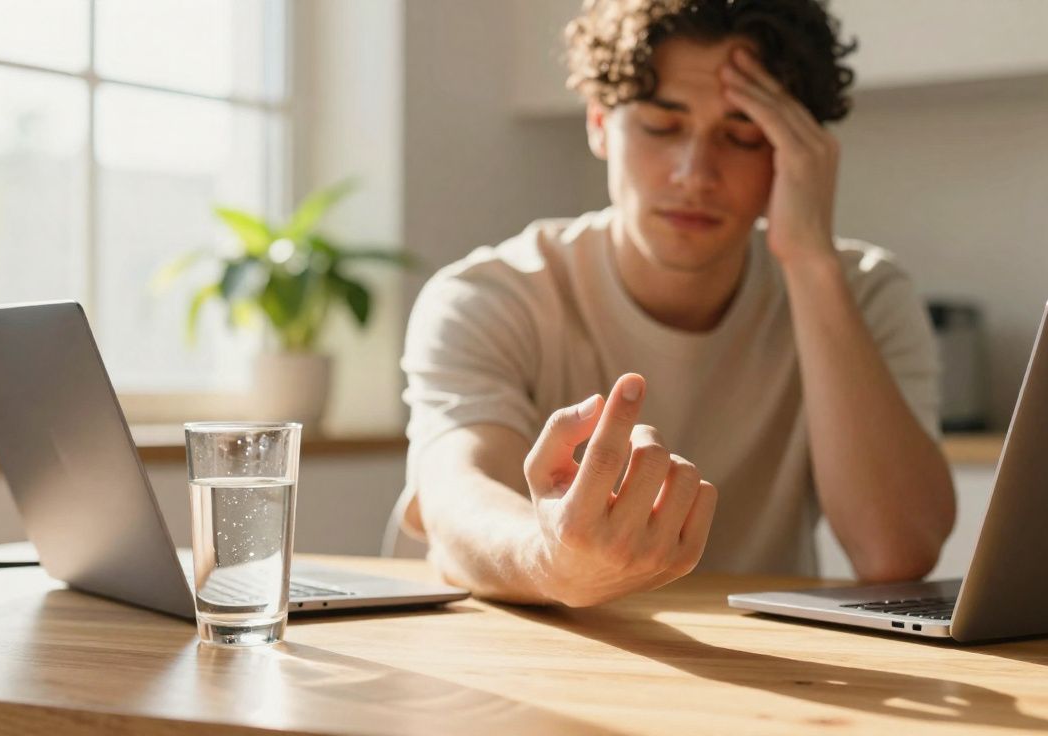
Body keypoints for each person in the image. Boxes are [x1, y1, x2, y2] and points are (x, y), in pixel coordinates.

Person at [393, 0, 955, 606]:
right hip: (520, 652)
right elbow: (456, 499)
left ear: (796, 152)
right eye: (663, 125)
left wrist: (812, 263)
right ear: (601, 124)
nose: (696, 172)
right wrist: (556, 562)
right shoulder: (491, 296)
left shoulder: (863, 292)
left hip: (768, 669)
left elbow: (896, 550)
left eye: (742, 135)